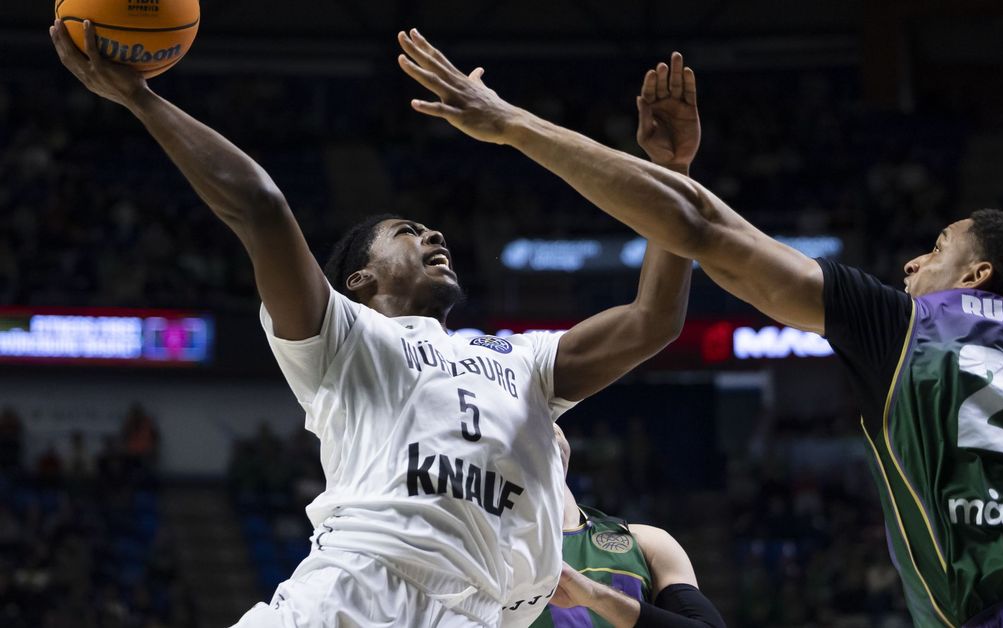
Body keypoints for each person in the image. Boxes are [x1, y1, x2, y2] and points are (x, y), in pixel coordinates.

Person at [394, 29, 1003, 626]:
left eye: (935, 248)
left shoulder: (907, 326)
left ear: (977, 275)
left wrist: (513, 125)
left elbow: (703, 228)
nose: (913, 264)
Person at [51, 20, 693, 628]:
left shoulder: (522, 360)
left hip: (474, 613)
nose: (434, 235)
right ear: (359, 280)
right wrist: (139, 98)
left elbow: (654, 320)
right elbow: (259, 206)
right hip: (355, 591)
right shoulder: (343, 338)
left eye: (431, 229)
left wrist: (672, 176)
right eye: (407, 232)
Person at [538, 425, 726, 628]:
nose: (544, 426)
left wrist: (595, 595)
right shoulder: (511, 557)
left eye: (550, 418)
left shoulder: (648, 541)